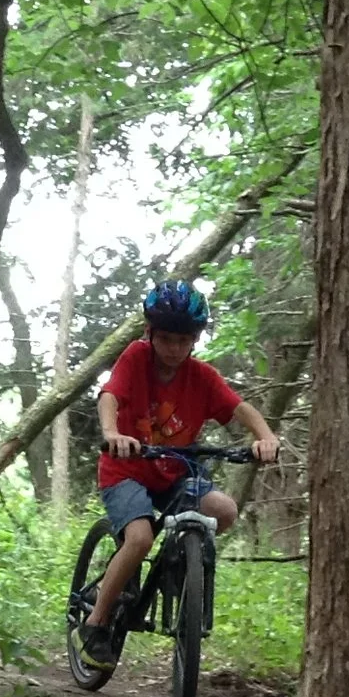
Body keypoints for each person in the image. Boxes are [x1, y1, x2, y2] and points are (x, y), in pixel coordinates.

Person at [78, 279, 280, 668]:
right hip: (126, 471)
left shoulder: (201, 376)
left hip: (176, 471)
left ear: (195, 340)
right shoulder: (135, 359)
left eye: (183, 340)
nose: (174, 349)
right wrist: (112, 433)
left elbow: (240, 409)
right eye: (166, 338)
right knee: (138, 539)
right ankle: (95, 623)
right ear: (149, 334)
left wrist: (266, 438)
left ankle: (176, 562)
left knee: (224, 511)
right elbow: (110, 396)